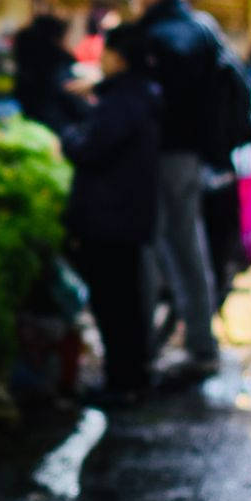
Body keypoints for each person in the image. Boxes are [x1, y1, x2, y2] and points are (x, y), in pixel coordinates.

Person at [125, 0, 224, 377]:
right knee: (187, 246)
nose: (133, 3)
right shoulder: (201, 28)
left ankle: (142, 349)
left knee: (147, 248)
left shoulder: (151, 36)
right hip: (192, 155)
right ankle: (201, 343)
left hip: (156, 155)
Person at [57, 25, 161, 401]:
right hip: (127, 214)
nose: (100, 59)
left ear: (119, 57)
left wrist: (68, 137)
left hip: (110, 216)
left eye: (106, 53)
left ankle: (122, 382)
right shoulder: (139, 94)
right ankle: (132, 376)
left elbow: (89, 148)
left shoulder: (123, 101)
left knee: (115, 304)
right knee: (126, 302)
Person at [13, 11, 91, 134]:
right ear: (57, 39)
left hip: (31, 127)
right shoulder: (59, 66)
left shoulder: (26, 59)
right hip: (57, 132)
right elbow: (77, 107)